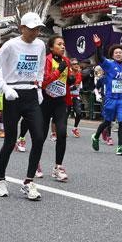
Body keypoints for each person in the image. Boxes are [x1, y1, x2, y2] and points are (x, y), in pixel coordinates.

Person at [0, 13, 48, 201]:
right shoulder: (10, 45)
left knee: (39, 137)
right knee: (10, 141)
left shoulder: (40, 45)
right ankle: (0, 180)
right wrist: (4, 87)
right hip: (12, 93)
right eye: (31, 29)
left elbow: (40, 67)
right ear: (22, 28)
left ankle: (29, 182)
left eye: (37, 29)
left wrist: (39, 87)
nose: (35, 32)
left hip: (31, 93)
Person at [91, 34, 122, 156]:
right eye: (116, 53)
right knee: (107, 122)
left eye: (120, 52)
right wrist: (98, 46)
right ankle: (96, 136)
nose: (118, 54)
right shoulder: (108, 64)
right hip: (110, 98)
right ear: (112, 55)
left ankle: (120, 147)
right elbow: (100, 57)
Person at [41, 35, 72, 181]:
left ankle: (58, 167)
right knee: (40, 136)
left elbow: (66, 80)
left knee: (61, 133)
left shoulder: (66, 61)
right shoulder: (46, 60)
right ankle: (36, 163)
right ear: (51, 47)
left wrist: (71, 79)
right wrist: (58, 70)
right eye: (59, 44)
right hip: (46, 100)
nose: (63, 46)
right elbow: (44, 81)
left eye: (63, 44)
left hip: (60, 101)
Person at [68, 59, 84, 137]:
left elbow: (77, 84)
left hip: (75, 95)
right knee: (66, 114)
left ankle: (75, 128)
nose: (76, 65)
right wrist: (72, 86)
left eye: (77, 63)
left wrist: (73, 86)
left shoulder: (79, 73)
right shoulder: (68, 72)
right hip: (68, 96)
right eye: (74, 64)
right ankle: (63, 129)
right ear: (71, 65)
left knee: (79, 113)